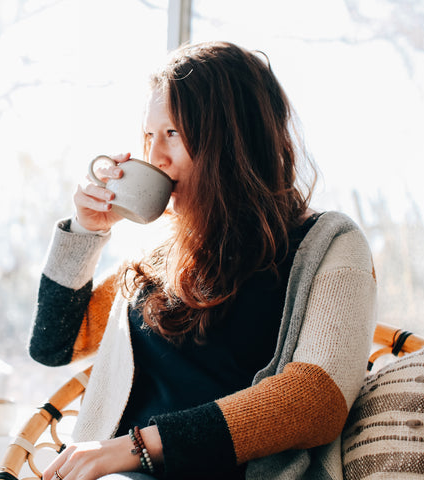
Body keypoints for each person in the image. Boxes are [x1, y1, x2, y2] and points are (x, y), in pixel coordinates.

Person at [29, 41, 377, 480]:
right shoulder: (158, 255)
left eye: (172, 133)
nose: (154, 157)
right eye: (149, 136)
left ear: (234, 136)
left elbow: (316, 400)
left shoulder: (328, 243)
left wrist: (138, 447)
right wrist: (86, 229)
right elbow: (54, 345)